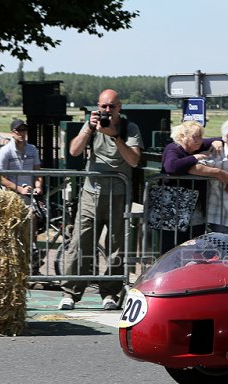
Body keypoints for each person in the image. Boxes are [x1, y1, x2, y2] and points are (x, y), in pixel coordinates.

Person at [59, 89, 143, 311]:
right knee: (80, 242)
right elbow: (75, 151)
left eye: (112, 107)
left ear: (119, 107)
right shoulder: (92, 125)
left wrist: (114, 136)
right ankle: (71, 293)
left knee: (117, 247)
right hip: (91, 194)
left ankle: (110, 293)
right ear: (97, 106)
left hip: (119, 195)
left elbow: (134, 160)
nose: (107, 111)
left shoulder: (128, 128)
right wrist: (88, 127)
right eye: (103, 107)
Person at [158, 121, 224, 253]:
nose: (199, 140)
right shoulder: (173, 148)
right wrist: (194, 158)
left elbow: (218, 139)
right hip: (173, 209)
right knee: (170, 247)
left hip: (194, 208)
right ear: (183, 136)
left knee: (193, 246)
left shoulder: (197, 145)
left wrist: (217, 142)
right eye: (195, 136)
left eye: (200, 136)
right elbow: (171, 166)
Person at [0, 119, 43, 273]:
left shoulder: (32, 149)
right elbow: (0, 177)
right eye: (18, 131)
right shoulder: (5, 151)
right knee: (13, 231)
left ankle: (32, 265)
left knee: (33, 225)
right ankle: (12, 266)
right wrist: (18, 189)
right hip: (10, 196)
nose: (21, 133)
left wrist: (38, 186)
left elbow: (37, 171)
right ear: (12, 133)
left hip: (28, 195)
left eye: (24, 130)